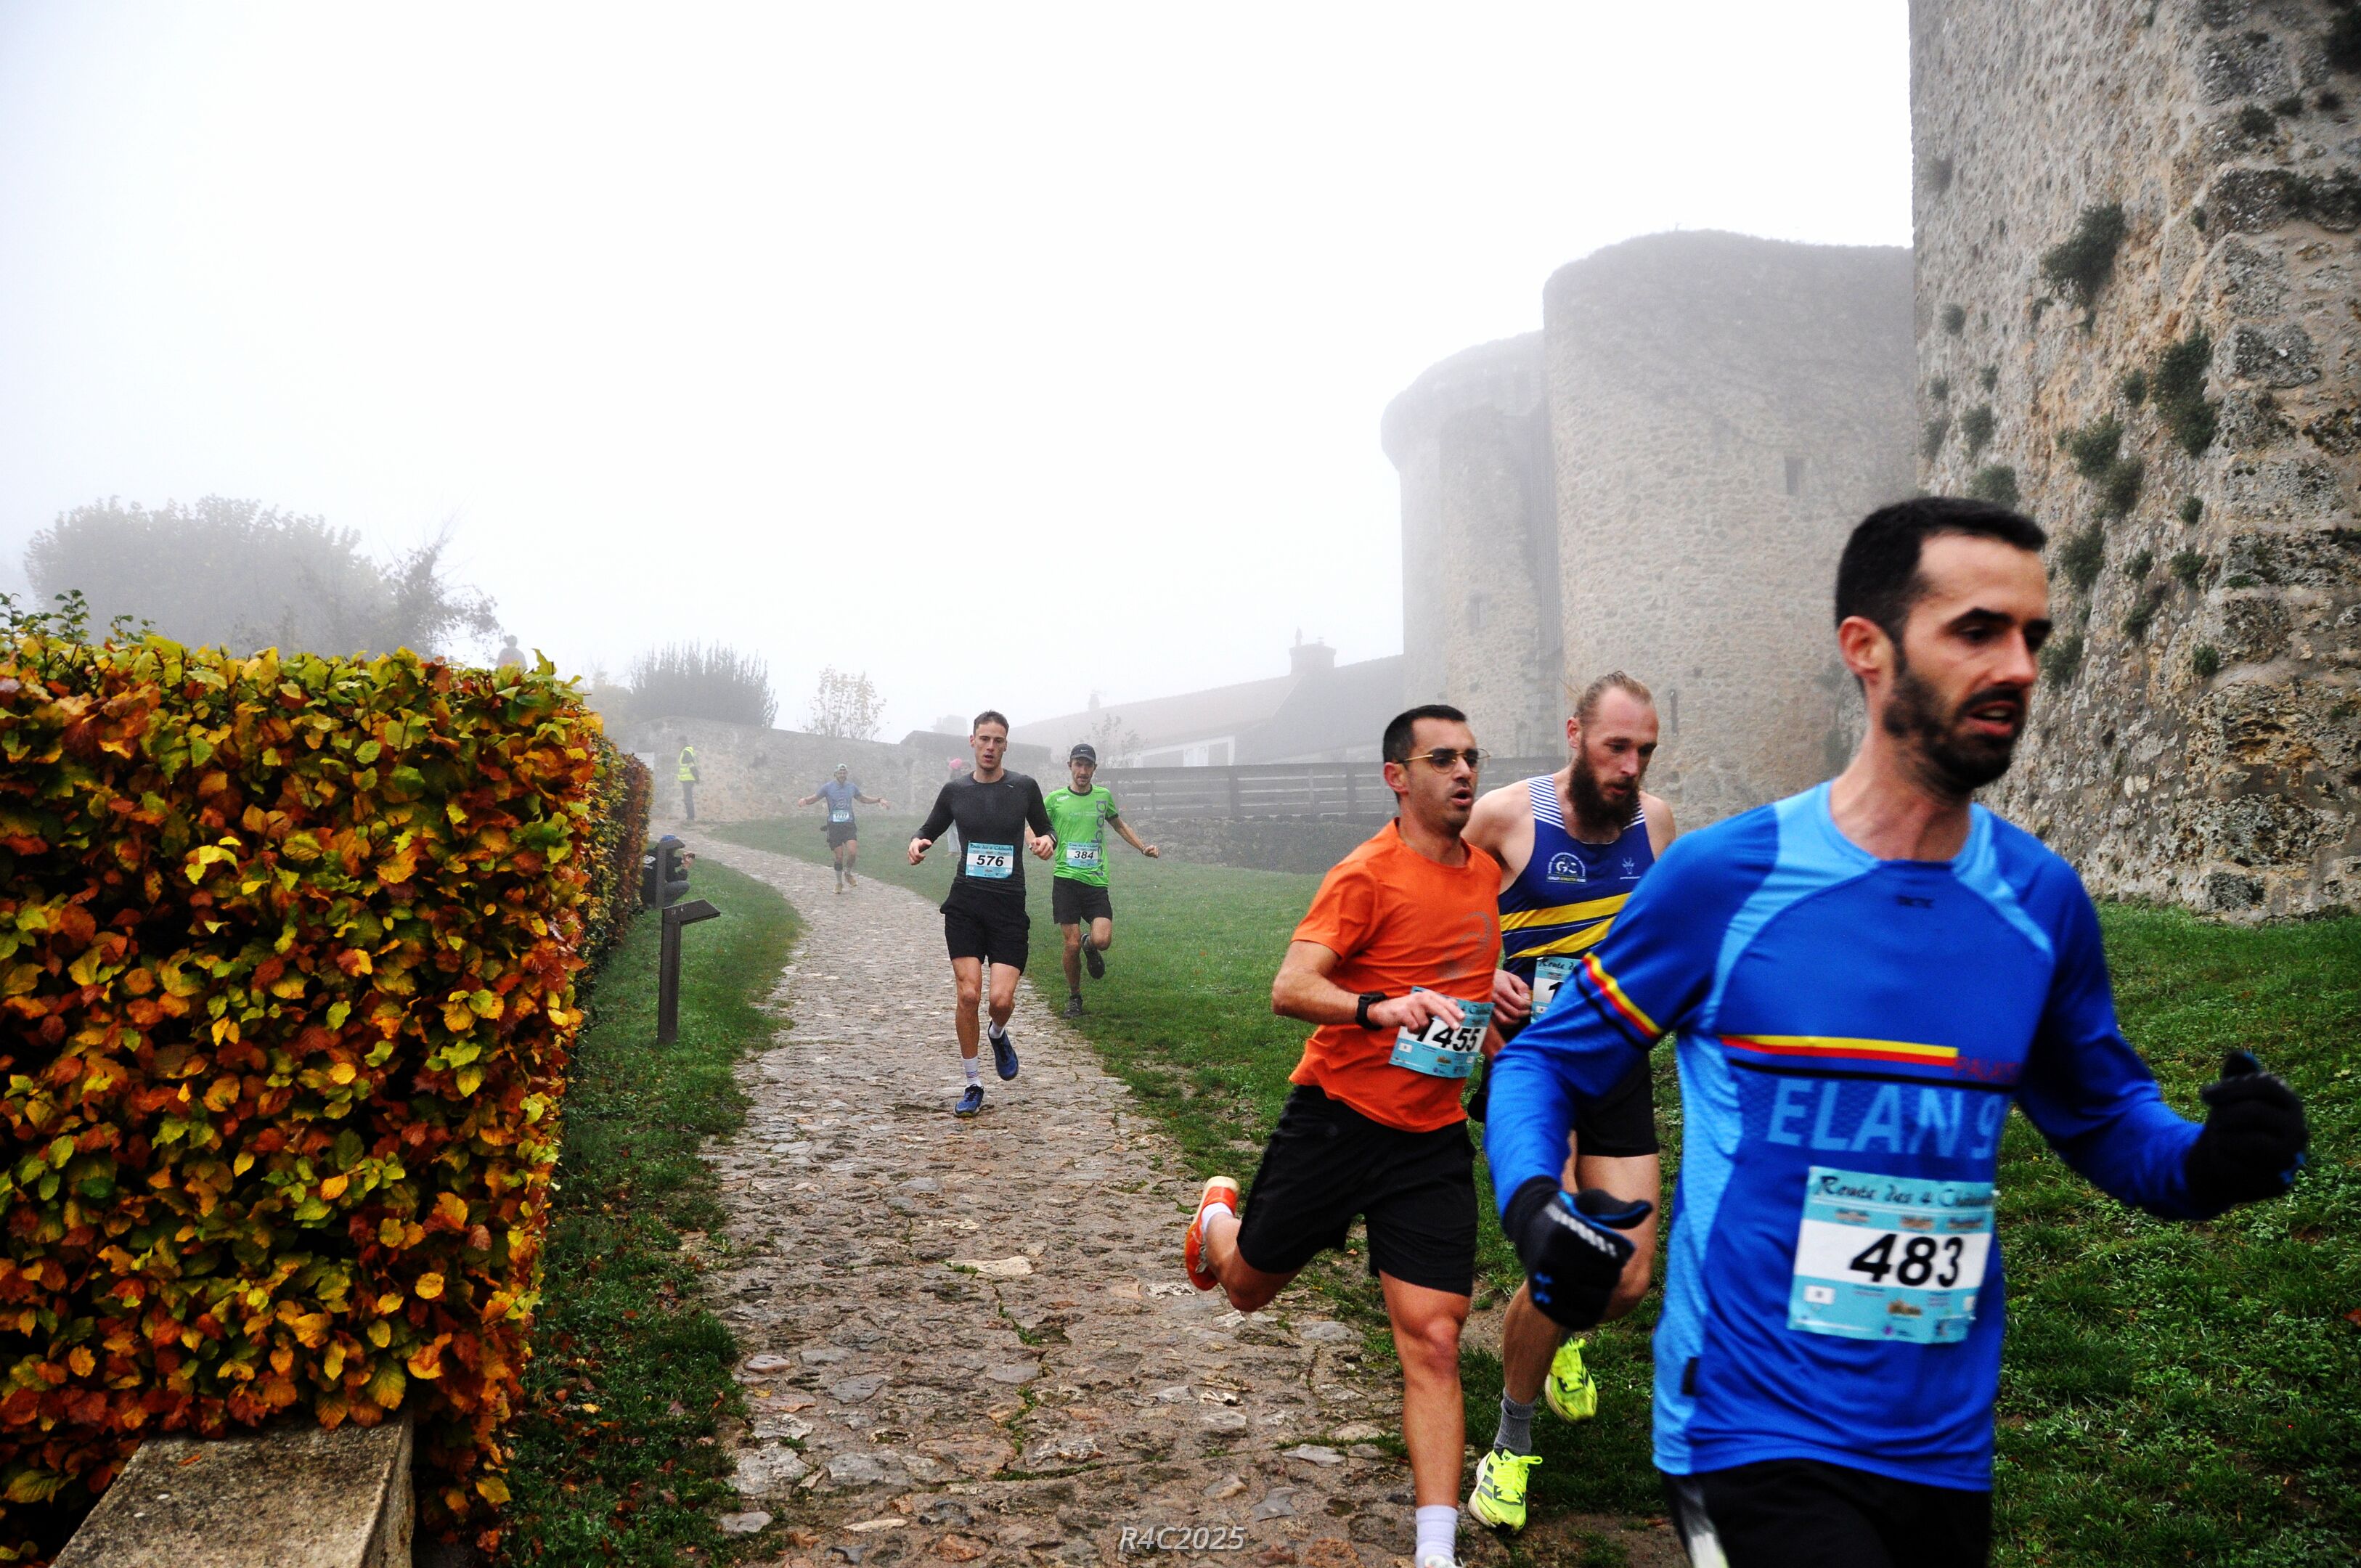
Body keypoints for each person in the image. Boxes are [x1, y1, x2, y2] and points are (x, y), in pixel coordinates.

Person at [1485, 497, 2309, 1568]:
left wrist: (2212, 1163)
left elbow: (2108, 1120)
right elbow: (1547, 1060)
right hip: (1750, 1424)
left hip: (1943, 1447)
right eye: (1978, 631)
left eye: (2033, 637)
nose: (2018, 667)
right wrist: (1536, 1204)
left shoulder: (2039, 901)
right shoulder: (1728, 880)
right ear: (1866, 650)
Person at [1183, 704, 1502, 1568]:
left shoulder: (1484, 875)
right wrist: (1377, 1007)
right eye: (1443, 759)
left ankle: (1435, 1551)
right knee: (1246, 1289)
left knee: (1435, 1339)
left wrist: (1494, 1008)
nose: (1464, 772)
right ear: (1398, 777)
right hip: (1336, 1123)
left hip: (1429, 1140)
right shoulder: (1365, 874)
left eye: (1472, 757)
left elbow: (1458, 981)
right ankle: (1217, 1221)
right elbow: (1290, 986)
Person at [1460, 671, 1677, 1533]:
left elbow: (1665, 938)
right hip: (1533, 1064)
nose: (1631, 766)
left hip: (1616, 1064)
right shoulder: (1507, 817)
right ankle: (1509, 1447)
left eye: (1644, 751)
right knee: (1563, 1258)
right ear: (1575, 735)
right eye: (1616, 746)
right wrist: (1477, 986)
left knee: (1627, 1280)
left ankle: (1566, 1338)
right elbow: (1430, 901)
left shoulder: (1657, 825)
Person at [910, 712, 1054, 1117]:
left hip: (1008, 908)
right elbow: (928, 828)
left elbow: (1047, 829)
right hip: (966, 905)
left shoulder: (1023, 787)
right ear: (972, 741)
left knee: (1000, 1000)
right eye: (984, 739)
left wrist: (1047, 841)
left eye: (998, 740)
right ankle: (973, 1082)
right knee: (969, 994)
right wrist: (917, 843)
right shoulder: (955, 791)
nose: (991, 747)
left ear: (1006, 745)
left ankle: (998, 1032)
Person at [1043, 741, 1159, 1018]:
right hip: (1066, 880)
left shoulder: (1103, 797)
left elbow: (1119, 825)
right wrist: (1036, 842)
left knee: (1103, 940)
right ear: (1070, 766)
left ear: (1095, 768)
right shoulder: (1055, 800)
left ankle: (1090, 945)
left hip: (1095, 882)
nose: (1083, 771)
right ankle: (1075, 997)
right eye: (1078, 765)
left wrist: (1142, 847)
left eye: (1088, 766)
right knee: (1070, 944)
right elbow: (1033, 827)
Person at [799, 764, 891, 894]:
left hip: (848, 825)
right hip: (834, 826)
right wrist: (804, 800)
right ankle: (839, 883)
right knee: (839, 857)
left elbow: (863, 799)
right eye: (840, 773)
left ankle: (848, 873)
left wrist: (879, 800)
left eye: (844, 773)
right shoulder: (828, 787)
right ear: (835, 774)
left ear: (846, 774)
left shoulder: (851, 787)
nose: (842, 775)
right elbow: (815, 798)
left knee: (852, 853)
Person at [676, 743, 699, 822]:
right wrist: (696, 778)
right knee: (688, 799)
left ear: (681, 742)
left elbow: (691, 765)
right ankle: (690, 818)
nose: (678, 745)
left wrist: (696, 777)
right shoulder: (688, 751)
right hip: (688, 779)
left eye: (678, 743)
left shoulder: (686, 752)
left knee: (688, 799)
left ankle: (690, 818)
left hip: (688, 780)